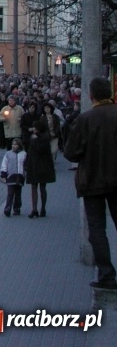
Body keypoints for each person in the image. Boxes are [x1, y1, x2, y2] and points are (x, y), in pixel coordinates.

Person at [64, 77, 117, 290]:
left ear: (91, 95)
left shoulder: (85, 119)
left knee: (96, 229)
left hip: (92, 180)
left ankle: (107, 274)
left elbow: (70, 152)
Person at [25, 113, 56, 218]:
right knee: (35, 187)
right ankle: (34, 209)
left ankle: (42, 208)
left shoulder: (44, 138)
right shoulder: (36, 137)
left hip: (41, 165)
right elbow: (29, 152)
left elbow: (39, 149)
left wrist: (34, 140)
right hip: (34, 164)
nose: (33, 129)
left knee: (41, 187)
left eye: (34, 127)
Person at [0, 138, 26, 217]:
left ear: (19, 145)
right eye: (13, 144)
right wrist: (3, 175)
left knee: (18, 193)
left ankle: (17, 208)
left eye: (15, 144)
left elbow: (26, 165)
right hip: (11, 176)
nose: (13, 146)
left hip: (19, 177)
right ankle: (8, 208)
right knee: (10, 193)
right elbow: (4, 164)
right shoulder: (8, 154)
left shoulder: (24, 154)